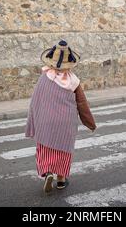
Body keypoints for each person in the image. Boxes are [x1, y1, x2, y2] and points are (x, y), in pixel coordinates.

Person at [25, 40, 96, 194]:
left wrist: (32, 123)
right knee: (63, 151)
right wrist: (90, 123)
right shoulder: (74, 81)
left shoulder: (44, 78)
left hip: (46, 122)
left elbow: (35, 102)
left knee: (45, 148)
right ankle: (61, 180)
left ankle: (47, 173)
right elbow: (82, 104)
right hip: (66, 123)